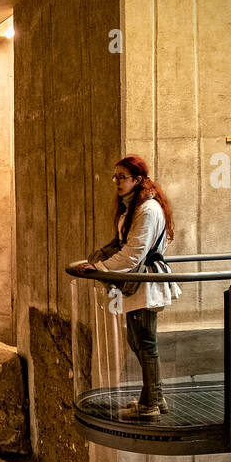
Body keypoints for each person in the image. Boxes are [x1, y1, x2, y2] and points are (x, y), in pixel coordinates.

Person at [69, 155, 180, 419]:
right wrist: (98, 261)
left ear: (138, 180)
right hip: (138, 280)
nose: (117, 182)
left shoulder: (147, 209)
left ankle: (150, 405)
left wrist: (102, 269)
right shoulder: (134, 206)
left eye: (123, 177)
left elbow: (134, 252)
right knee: (138, 340)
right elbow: (123, 244)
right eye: (115, 177)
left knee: (145, 342)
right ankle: (154, 397)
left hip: (144, 281)